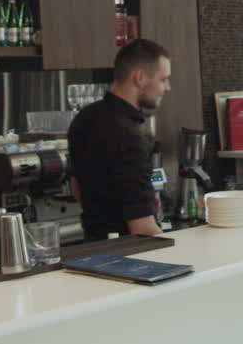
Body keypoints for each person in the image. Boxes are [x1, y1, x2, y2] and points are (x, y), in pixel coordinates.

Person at [68, 39, 171, 240]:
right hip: (127, 251)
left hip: (93, 243)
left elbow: (76, 188)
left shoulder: (84, 117)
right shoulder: (130, 135)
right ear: (140, 78)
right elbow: (142, 228)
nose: (167, 87)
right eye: (163, 79)